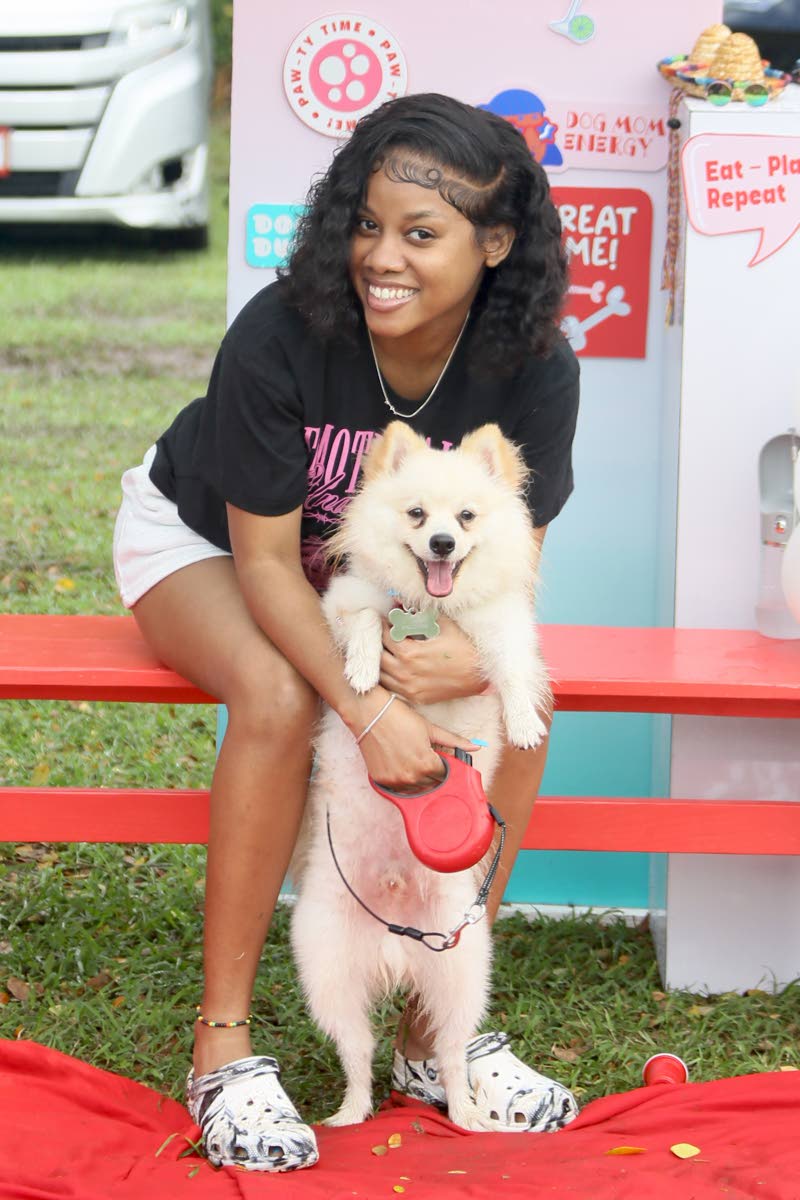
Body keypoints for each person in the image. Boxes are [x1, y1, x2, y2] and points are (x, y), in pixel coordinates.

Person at [112, 91, 580, 1172]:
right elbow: (273, 565)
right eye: (366, 225)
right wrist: (367, 709)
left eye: (421, 234)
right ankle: (222, 1050)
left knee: (516, 712)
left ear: (493, 243)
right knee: (281, 697)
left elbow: (511, 560)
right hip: (210, 546)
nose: (383, 256)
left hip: (375, 581)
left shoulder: (535, 369)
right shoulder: (282, 333)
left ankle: (432, 1035)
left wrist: (467, 658)